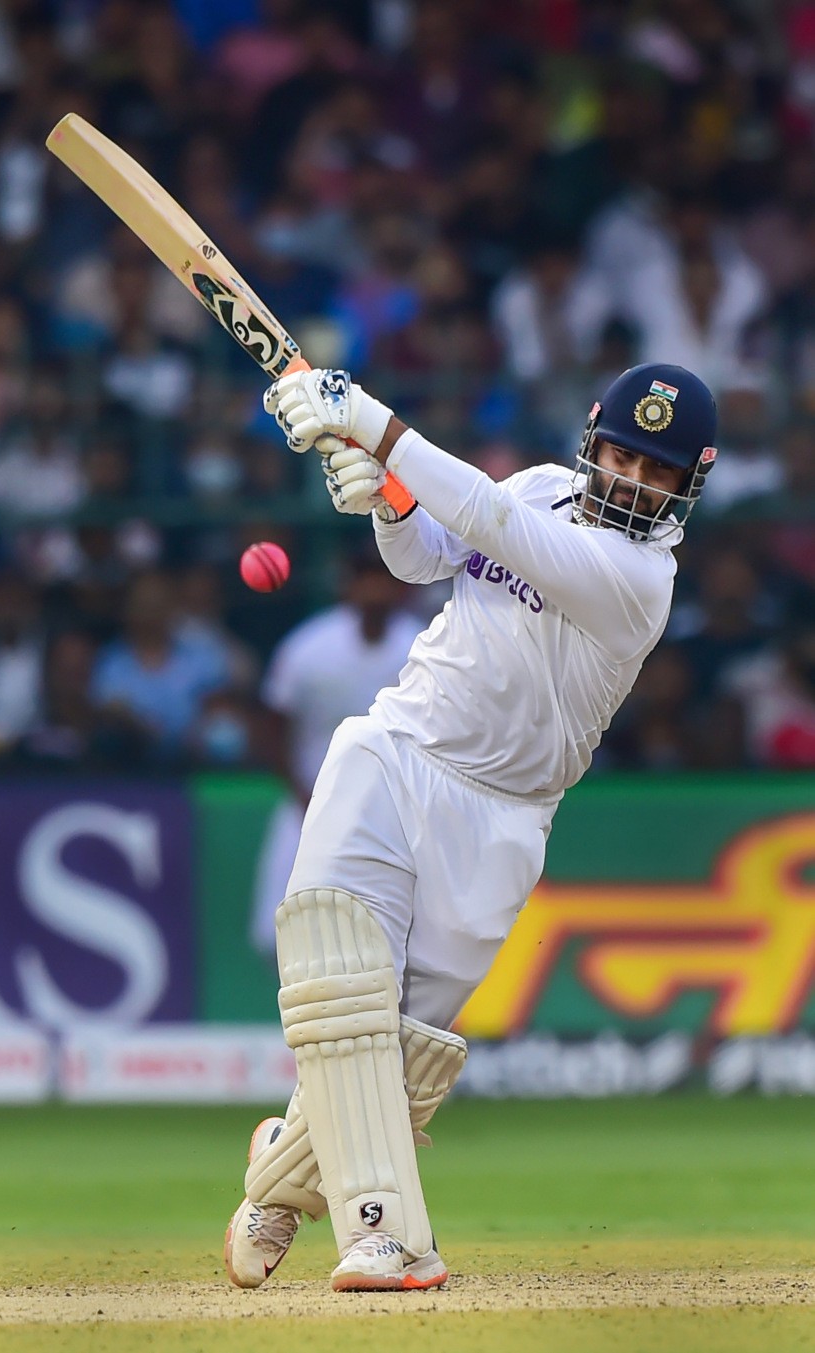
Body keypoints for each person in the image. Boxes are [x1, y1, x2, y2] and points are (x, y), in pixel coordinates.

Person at [223, 361, 718, 1294]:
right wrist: (390, 506)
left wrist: (372, 423)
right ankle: (390, 1237)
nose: (633, 481)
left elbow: (493, 524)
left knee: (405, 1050)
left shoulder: (640, 580)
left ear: (688, 484)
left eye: (658, 472)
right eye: (623, 455)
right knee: (337, 976)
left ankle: (284, 1171)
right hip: (397, 747)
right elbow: (424, 558)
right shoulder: (540, 486)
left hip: (504, 818)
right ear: (592, 438)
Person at [249, 546, 423, 960]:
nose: (374, 589)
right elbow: (274, 726)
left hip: (396, 809)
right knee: (282, 927)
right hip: (311, 804)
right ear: (349, 587)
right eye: (365, 578)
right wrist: (302, 796)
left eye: (383, 578)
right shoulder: (309, 647)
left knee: (398, 931)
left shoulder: (421, 645)